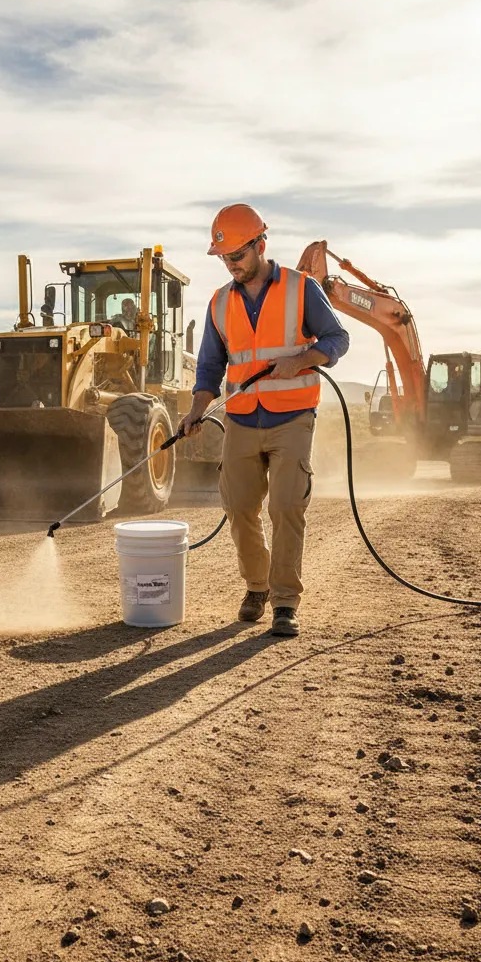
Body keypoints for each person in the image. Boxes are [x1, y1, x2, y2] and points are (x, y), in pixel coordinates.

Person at [177, 203, 350, 637]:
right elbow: (209, 369)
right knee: (239, 507)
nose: (230, 265)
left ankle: (285, 602)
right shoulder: (219, 303)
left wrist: (305, 358)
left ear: (260, 244)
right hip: (240, 419)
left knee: (287, 506)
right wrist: (197, 411)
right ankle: (258, 586)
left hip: (292, 418)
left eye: (237, 255)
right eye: (224, 258)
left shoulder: (301, 289)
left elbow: (337, 338)